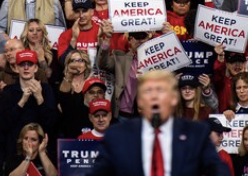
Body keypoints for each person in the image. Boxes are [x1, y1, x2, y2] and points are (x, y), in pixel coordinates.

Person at [91, 70, 230, 176]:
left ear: (174, 98)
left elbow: (218, 169)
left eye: (161, 91)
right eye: (148, 91)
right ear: (139, 100)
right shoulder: (117, 136)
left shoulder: (196, 133)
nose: (154, 96)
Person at [0, 50, 57, 159]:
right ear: (16, 68)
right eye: (22, 64)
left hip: (41, 150)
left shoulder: (46, 89)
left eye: (30, 64)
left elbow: (51, 124)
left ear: (35, 68)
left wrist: (39, 97)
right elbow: (3, 125)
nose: (26, 68)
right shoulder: (8, 91)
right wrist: (22, 101)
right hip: (15, 150)